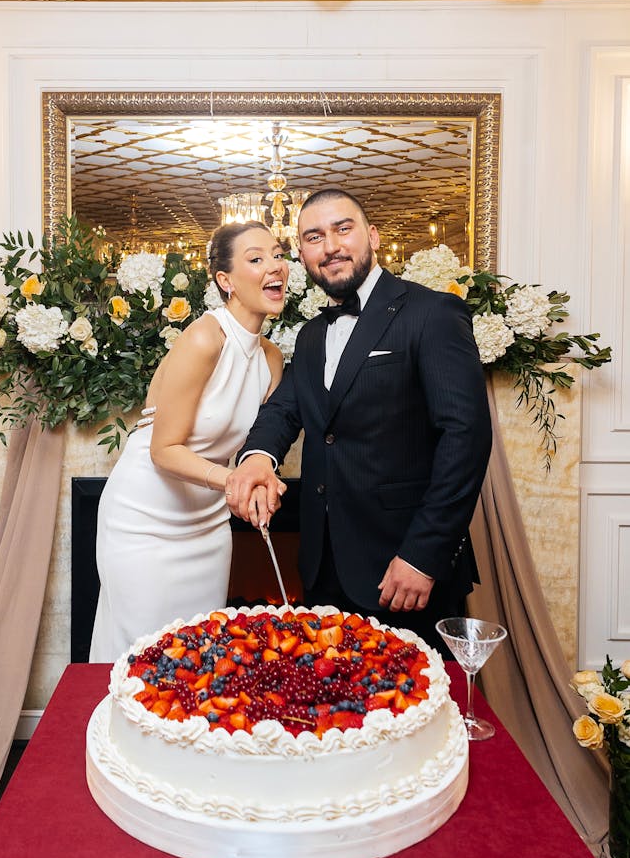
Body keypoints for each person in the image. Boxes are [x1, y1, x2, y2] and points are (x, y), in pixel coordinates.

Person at [225, 189, 492, 657]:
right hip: (324, 567)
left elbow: (465, 437)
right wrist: (256, 459)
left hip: (404, 569)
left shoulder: (432, 313)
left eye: (342, 229)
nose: (330, 246)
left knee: (414, 713)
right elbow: (285, 409)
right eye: (313, 237)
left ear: (372, 236)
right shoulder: (310, 336)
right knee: (337, 714)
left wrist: (422, 555)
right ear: (303, 254)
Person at [89, 221, 288, 662]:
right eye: (255, 259)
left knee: (200, 654)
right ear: (225, 281)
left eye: (277, 255)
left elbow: (258, 444)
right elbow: (164, 449)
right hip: (145, 519)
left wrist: (259, 479)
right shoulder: (203, 337)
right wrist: (233, 481)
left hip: (208, 524)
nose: (274, 267)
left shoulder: (272, 359)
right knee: (141, 657)